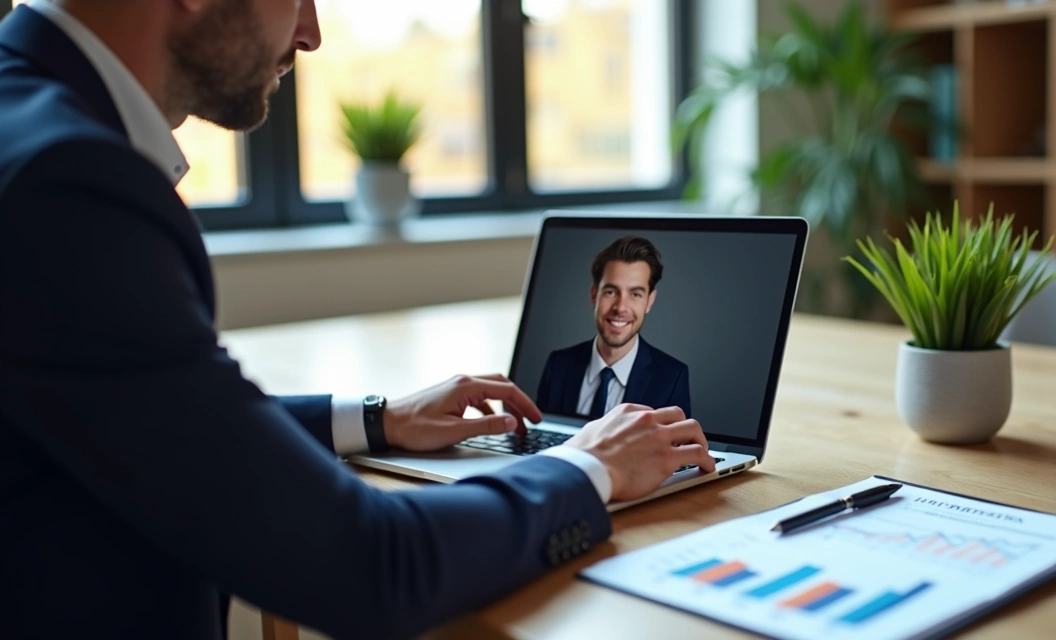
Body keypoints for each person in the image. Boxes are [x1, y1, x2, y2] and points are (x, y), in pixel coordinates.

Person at [0, 1, 716, 638]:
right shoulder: (71, 185)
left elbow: (146, 418)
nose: (310, 32)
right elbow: (373, 566)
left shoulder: (23, 119)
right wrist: (588, 466)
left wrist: (377, 418)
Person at [537, 235, 693, 419]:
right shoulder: (558, 365)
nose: (620, 308)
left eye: (635, 294)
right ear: (594, 295)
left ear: (650, 301)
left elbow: (675, 447)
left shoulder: (672, 378)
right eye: (611, 292)